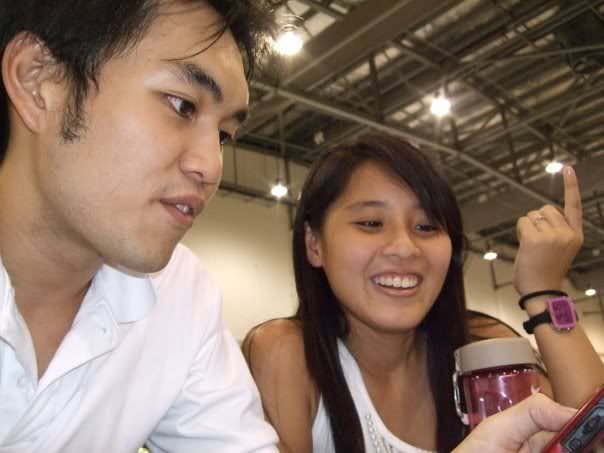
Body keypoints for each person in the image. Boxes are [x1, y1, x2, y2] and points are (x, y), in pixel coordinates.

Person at [0, 1, 280, 451]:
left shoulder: (179, 296)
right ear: (38, 80)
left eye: (223, 136)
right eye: (182, 105)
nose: (211, 167)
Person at [243, 134, 604, 452]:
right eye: (371, 223)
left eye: (427, 226)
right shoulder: (287, 355)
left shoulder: (480, 348)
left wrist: (544, 291)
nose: (405, 247)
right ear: (314, 243)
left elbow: (591, 432)